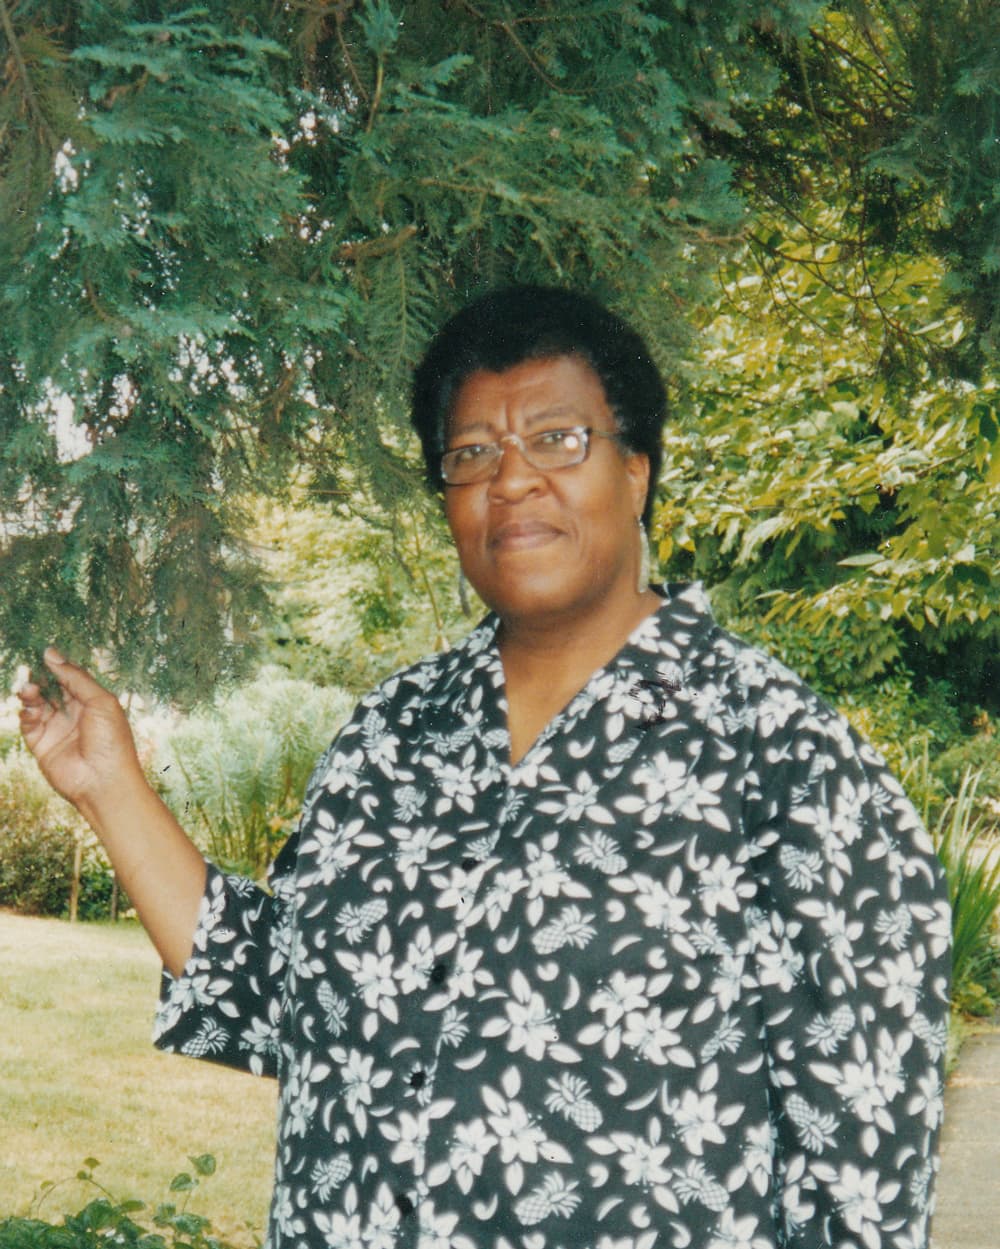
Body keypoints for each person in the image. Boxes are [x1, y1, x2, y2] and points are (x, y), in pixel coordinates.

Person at [19, 286, 951, 1249]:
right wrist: (108, 787)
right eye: (471, 453)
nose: (511, 480)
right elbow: (276, 999)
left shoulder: (791, 766)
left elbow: (865, 1175)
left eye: (557, 439)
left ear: (637, 472)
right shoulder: (391, 734)